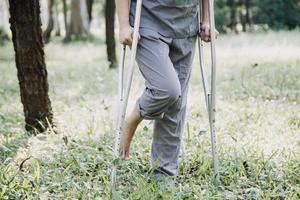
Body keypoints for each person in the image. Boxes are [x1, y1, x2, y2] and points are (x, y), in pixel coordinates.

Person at [116, 0, 212, 178]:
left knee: (177, 102)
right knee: (166, 89)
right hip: (147, 21)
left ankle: (163, 173)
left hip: (186, 23)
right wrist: (123, 24)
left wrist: (206, 20)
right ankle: (133, 119)